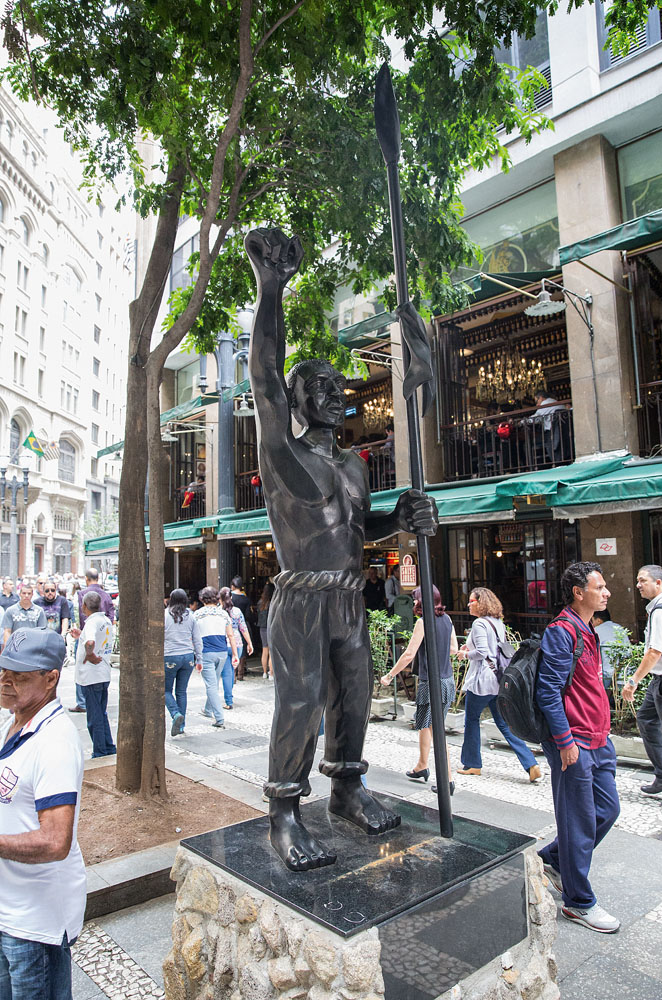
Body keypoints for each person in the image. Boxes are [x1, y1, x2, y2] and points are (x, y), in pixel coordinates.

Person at [245, 226, 437, 871]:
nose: (332, 393)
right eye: (316, 386)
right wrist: (271, 286)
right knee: (299, 700)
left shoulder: (355, 465)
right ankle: (283, 811)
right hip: (301, 598)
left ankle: (347, 787)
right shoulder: (283, 452)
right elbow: (264, 371)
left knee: (353, 693)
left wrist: (401, 517)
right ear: (294, 403)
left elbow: (358, 530)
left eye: (338, 386)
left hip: (350, 597)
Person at [0, 628, 86, 998]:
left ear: (51, 679)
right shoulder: (14, 720)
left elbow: (55, 841)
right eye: (3, 670)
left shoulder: (55, 742)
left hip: (35, 924)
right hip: (9, 909)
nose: (5, 681)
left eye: (19, 676)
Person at [536, 561, 620, 934]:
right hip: (575, 742)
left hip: (599, 739)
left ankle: (554, 858)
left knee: (608, 810)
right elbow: (547, 692)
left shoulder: (590, 629)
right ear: (578, 592)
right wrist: (565, 741)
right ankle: (578, 902)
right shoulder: (561, 631)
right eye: (599, 587)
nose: (606, 593)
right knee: (579, 821)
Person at [456, 587, 541, 782]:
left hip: (482, 681)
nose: (469, 604)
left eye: (472, 601)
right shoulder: (497, 623)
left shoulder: (478, 623)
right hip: (498, 680)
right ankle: (530, 764)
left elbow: (483, 653)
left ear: (481, 602)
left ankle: (472, 764)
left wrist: (465, 654)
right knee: (504, 723)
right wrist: (469, 647)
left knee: (471, 720)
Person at [380, 585, 457, 794]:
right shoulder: (447, 620)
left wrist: (389, 675)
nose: (413, 603)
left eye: (415, 599)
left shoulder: (423, 623)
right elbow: (453, 649)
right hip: (446, 680)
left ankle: (447, 779)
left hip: (432, 682)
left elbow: (408, 655)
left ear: (423, 601)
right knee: (425, 723)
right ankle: (422, 766)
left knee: (437, 731)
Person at [622, 564, 662, 796]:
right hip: (659, 680)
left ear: (658, 583)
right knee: (646, 720)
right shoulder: (658, 608)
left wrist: (633, 680)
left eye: (643, 581)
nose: (638, 585)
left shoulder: (661, 610)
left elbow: (654, 652)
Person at [71, 592, 116, 758]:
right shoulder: (104, 620)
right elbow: (90, 639)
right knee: (101, 713)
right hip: (103, 673)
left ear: (84, 606)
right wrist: (80, 636)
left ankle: (100, 750)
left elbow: (90, 642)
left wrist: (89, 655)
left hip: (91, 676)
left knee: (94, 716)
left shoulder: (91, 622)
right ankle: (108, 746)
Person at [194, 586, 239, 720]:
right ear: (217, 598)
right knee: (214, 683)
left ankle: (219, 717)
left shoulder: (197, 614)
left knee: (211, 685)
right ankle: (208, 709)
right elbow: (231, 636)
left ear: (202, 599)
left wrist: (196, 656)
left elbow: (194, 637)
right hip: (222, 652)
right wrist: (235, 654)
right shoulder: (223, 614)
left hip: (206, 652)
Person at [164, 588, 203, 736]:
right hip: (187, 657)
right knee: (181, 692)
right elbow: (197, 639)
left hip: (170, 657)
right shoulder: (190, 616)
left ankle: (175, 714)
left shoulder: (165, 615)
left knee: (165, 690)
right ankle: (181, 726)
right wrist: (199, 659)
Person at [219, 587, 253, 684]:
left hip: (222, 641)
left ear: (219, 599)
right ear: (231, 597)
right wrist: (249, 643)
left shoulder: (218, 611)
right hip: (237, 642)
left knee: (226, 669)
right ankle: (233, 680)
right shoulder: (237, 611)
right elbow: (243, 628)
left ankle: (228, 690)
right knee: (233, 666)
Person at [591, 608, 629, 691]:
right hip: (624, 674)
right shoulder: (619, 628)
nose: (592, 624)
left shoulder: (596, 631)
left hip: (606, 674)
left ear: (598, 620)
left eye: (592, 620)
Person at [2, 585, 46, 649]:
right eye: (24, 593)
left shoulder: (39, 611)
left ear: (32, 595)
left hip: (33, 647)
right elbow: (7, 631)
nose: (26, 595)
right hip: (15, 647)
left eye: (29, 593)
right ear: (20, 594)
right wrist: (6, 648)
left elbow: (42, 631)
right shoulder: (10, 610)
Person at [230, 577, 253, 679]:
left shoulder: (230, 598)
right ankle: (240, 674)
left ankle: (233, 674)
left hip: (231, 625)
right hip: (243, 625)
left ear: (232, 586)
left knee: (232, 646)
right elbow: (248, 615)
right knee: (242, 647)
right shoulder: (245, 599)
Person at [257, 582, 275, 680]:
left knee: (265, 650)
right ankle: (271, 674)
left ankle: (264, 672)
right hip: (271, 627)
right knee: (271, 651)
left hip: (262, 628)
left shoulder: (260, 602)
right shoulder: (273, 602)